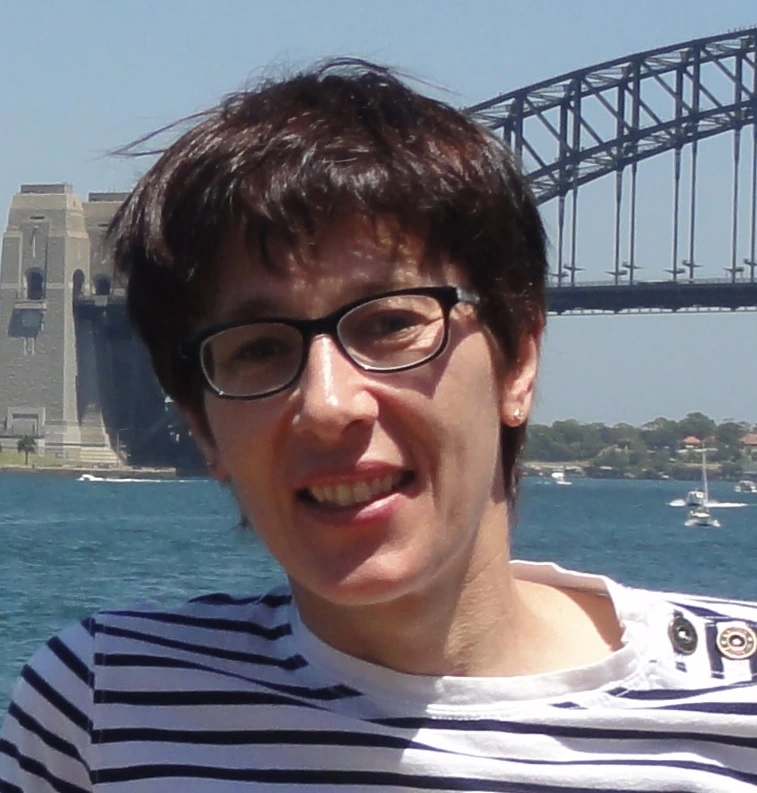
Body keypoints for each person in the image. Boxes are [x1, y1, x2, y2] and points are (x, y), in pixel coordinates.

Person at [2, 59, 757, 793]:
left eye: (392, 324)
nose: (329, 403)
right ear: (201, 423)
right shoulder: (100, 708)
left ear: (517, 361)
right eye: (258, 349)